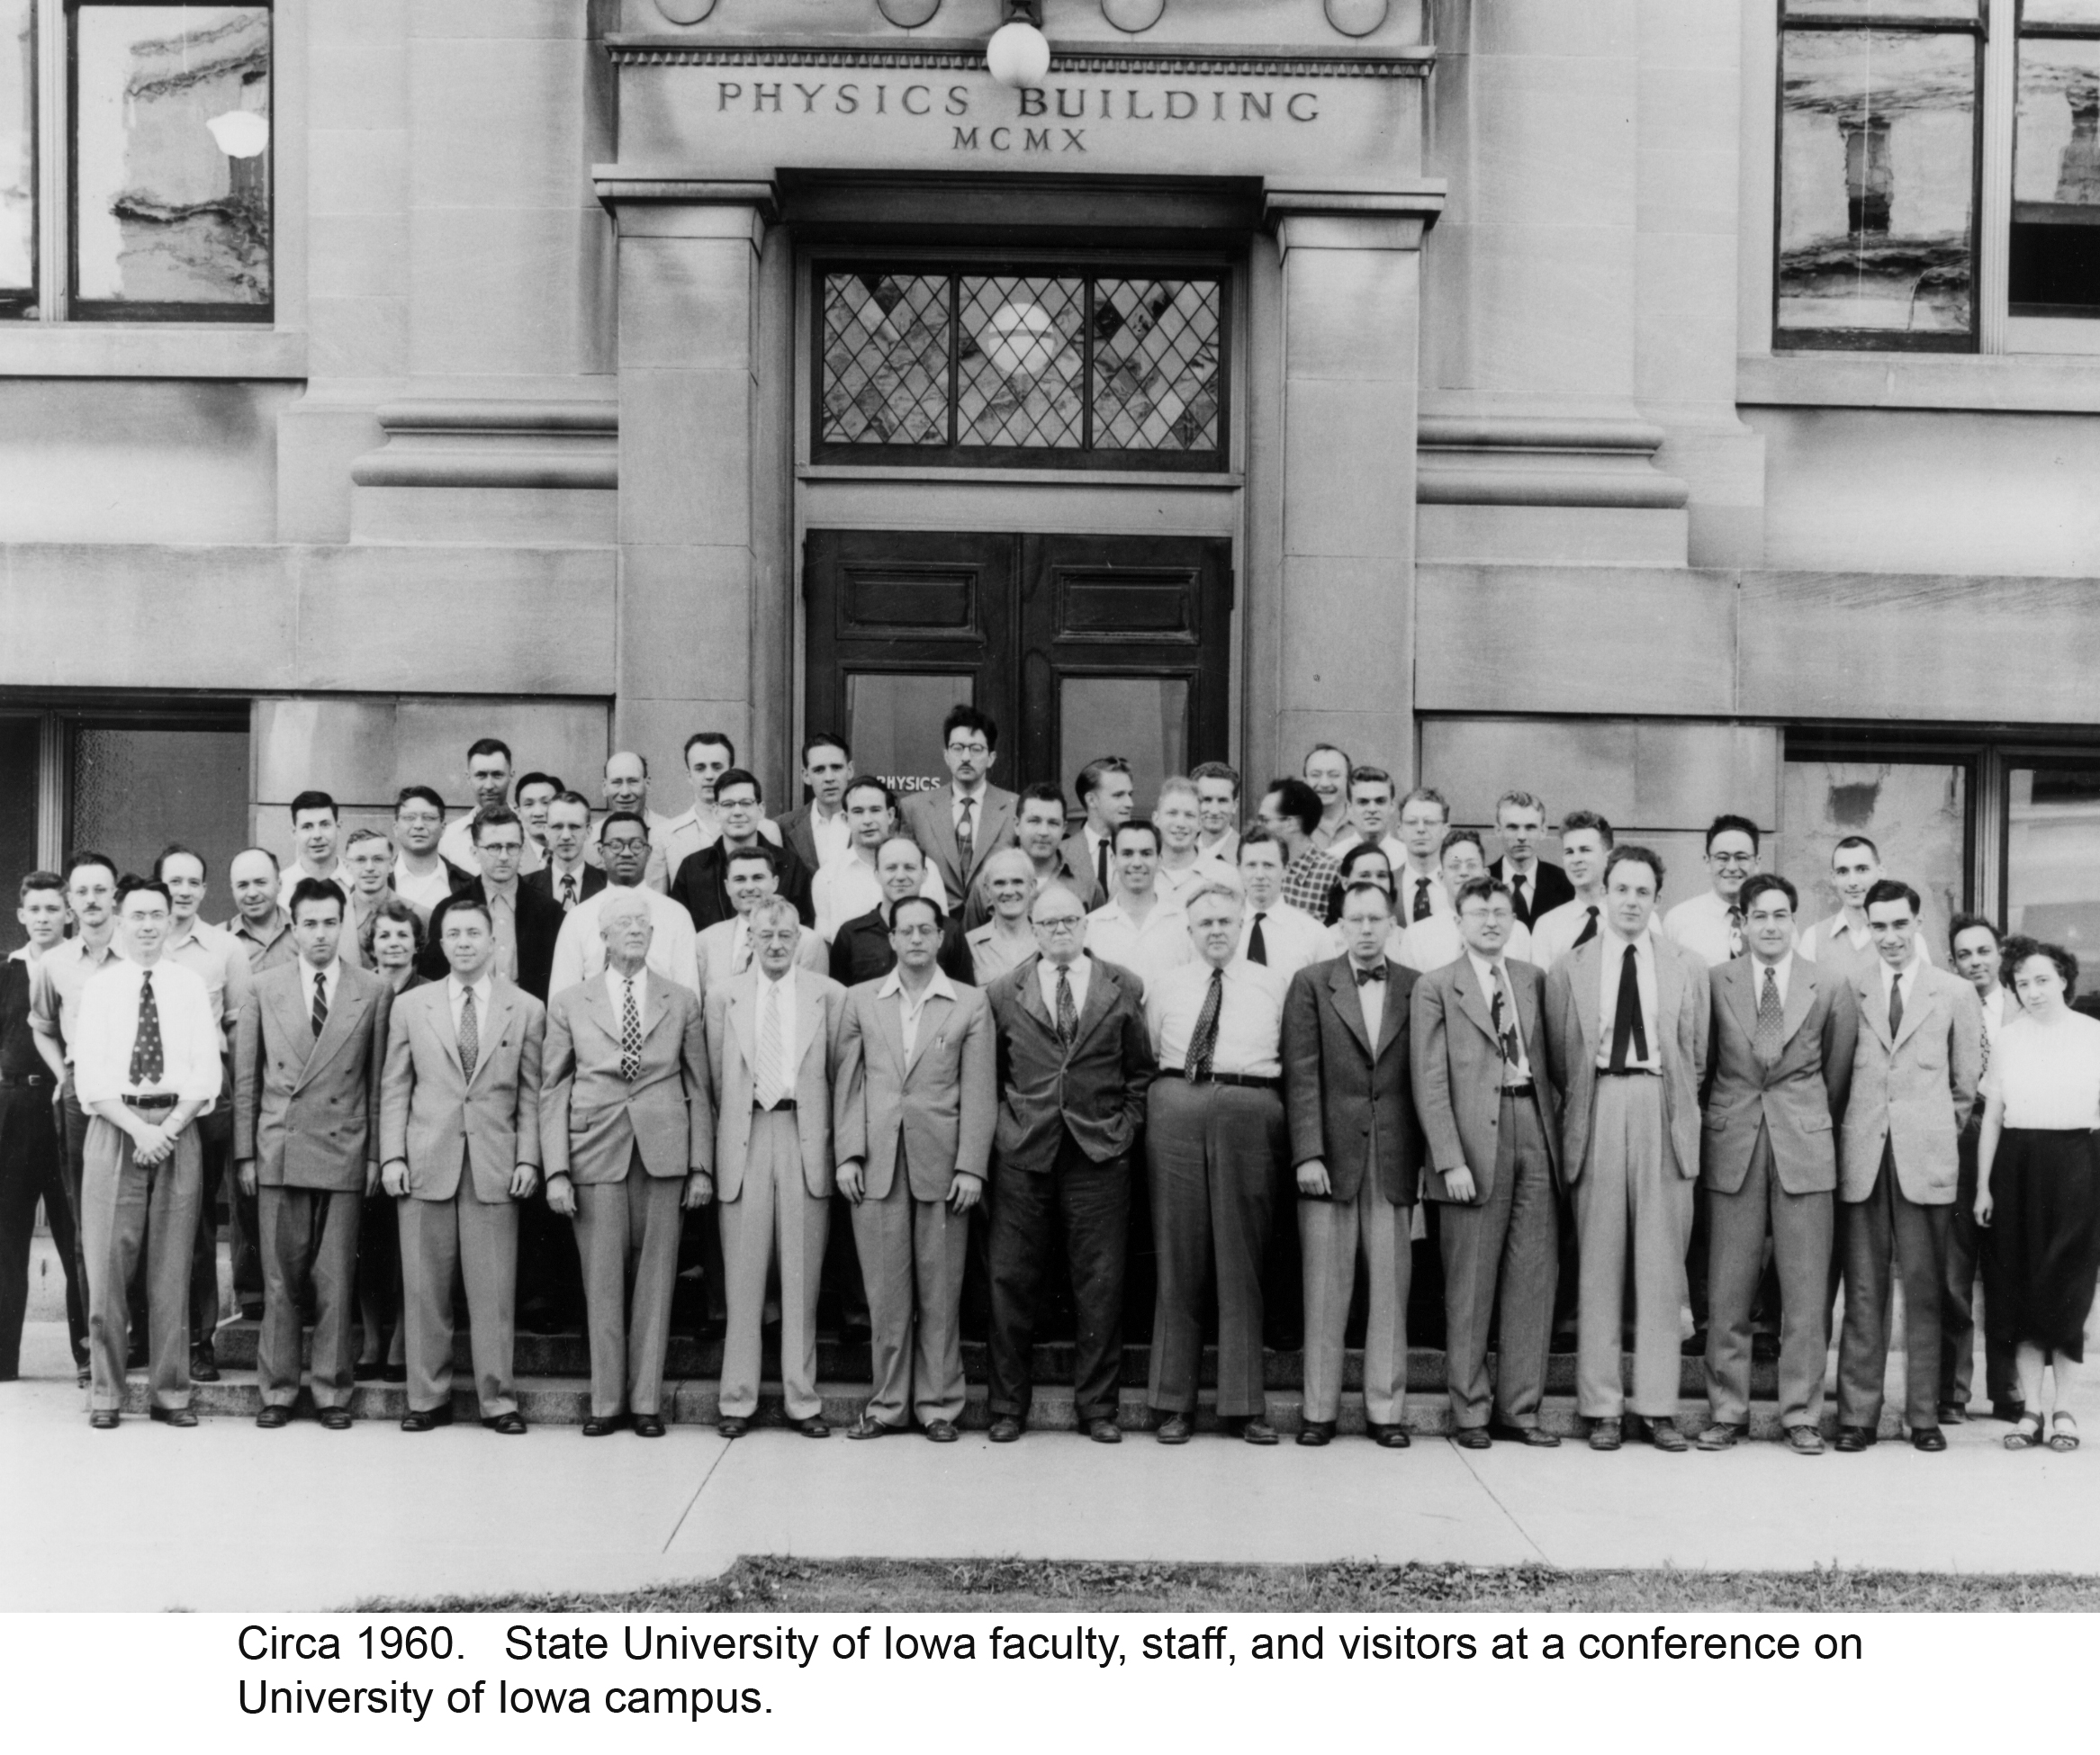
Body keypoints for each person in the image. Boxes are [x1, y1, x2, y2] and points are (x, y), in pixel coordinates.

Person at [1544, 845, 1709, 1453]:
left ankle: (1658, 1406)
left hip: (1662, 1106)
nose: (1631, 901)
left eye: (1643, 891)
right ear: (1604, 893)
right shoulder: (1570, 966)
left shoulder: (1687, 965)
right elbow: (1560, 1056)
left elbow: (1697, 1054)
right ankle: (1602, 1406)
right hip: (1599, 1104)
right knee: (1599, 1263)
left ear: (1656, 898)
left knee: (1661, 1267)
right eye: (1622, 889)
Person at [982, 884, 1156, 1444]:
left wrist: (1124, 1128)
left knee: (1100, 1284)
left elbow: (1140, 1073)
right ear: (1032, 929)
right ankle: (1007, 1407)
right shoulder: (1002, 992)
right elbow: (990, 1075)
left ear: (1086, 924)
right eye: (1049, 922)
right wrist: (1005, 1130)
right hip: (1024, 1152)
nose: (1060, 930)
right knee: (1011, 1281)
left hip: (1099, 1154)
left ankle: (1098, 1409)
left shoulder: (1122, 985)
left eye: (1070, 920)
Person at [540, 889, 714, 1438]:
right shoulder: (571, 1002)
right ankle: (606, 1401)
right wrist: (556, 1170)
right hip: (594, 1151)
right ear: (604, 937)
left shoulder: (681, 1000)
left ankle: (646, 1403)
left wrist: (701, 1166)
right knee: (602, 1281)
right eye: (624, 923)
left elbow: (699, 1087)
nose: (636, 930)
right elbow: (552, 1088)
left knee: (656, 1281)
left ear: (654, 935)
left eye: (643, 923)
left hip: (664, 1153)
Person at [1693, 873, 1856, 1457]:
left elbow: (1836, 1072)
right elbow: (1705, 1063)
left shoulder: (1827, 983)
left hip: (1803, 1144)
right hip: (1732, 1143)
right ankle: (1726, 1411)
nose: (1769, 925)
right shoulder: (1715, 981)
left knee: (1806, 1293)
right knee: (1727, 1291)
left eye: (1779, 914)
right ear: (1741, 922)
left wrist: (1803, 1119)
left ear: (1794, 920)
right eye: (1758, 915)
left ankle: (1801, 1414)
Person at [380, 896, 545, 1435]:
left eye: (474, 933)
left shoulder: (526, 1008)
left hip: (495, 1163)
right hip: (426, 1159)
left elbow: (532, 1093)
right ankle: (427, 1398)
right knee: (424, 1289)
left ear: (493, 940)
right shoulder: (412, 1006)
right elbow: (395, 1087)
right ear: (440, 944)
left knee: (493, 1291)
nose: (465, 943)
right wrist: (392, 1155)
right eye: (454, 934)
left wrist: (529, 1157)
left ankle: (499, 1401)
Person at [834, 896, 996, 1443]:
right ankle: (887, 1404)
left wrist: (971, 1166)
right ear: (893, 939)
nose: (918, 939)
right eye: (907, 931)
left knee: (940, 1291)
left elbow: (979, 1091)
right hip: (876, 1163)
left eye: (927, 929)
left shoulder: (970, 1002)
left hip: (943, 1164)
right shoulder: (860, 999)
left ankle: (939, 1406)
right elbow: (848, 1084)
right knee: (886, 1292)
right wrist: (848, 1154)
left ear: (942, 937)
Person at [232, 878, 392, 1432]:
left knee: (335, 1280)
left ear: (342, 925)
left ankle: (331, 1391)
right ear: (293, 927)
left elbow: (376, 1083)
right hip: (280, 1146)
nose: (320, 934)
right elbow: (247, 1078)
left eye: (330, 922)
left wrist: (374, 1157)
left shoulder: (373, 989)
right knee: (280, 1279)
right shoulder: (262, 986)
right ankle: (277, 1390)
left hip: (345, 1147)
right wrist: (245, 1155)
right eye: (309, 923)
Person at [1411, 874, 1562, 1447]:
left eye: (1501, 912)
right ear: (1459, 921)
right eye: (1480, 912)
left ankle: (1520, 1409)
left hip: (1534, 1129)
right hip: (1474, 1142)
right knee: (1470, 1282)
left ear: (1514, 920)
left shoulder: (1532, 979)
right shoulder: (1435, 986)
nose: (1492, 921)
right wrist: (1449, 1158)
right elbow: (1429, 1080)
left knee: (1532, 1276)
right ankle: (1470, 1411)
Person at [1833, 878, 1982, 1454]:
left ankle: (1924, 1416)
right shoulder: (1851, 987)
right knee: (1863, 1291)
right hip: (1864, 1158)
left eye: (1900, 924)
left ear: (1918, 923)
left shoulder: (1954, 992)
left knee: (1925, 1290)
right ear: (1867, 927)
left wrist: (1931, 1132)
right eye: (1879, 926)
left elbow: (1964, 1087)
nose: (1890, 936)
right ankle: (1858, 1417)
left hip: (1925, 1161)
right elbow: (1838, 1076)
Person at [1143, 876, 1290, 1444]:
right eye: (1204, 923)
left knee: (1241, 1258)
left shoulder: (1273, 984)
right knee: (1178, 1255)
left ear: (1242, 924)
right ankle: (1172, 1403)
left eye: (1225, 921)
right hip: (1179, 1105)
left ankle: (1243, 1405)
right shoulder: (1167, 985)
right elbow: (1150, 1048)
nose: (1216, 931)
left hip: (1249, 1109)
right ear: (1189, 930)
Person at [74, 878, 221, 1429]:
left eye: (157, 915)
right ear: (119, 919)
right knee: (108, 1269)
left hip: (178, 1129)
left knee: (172, 1269)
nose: (148, 925)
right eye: (137, 915)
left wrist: (170, 1126)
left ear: (169, 920)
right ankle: (106, 1395)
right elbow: (89, 1076)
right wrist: (139, 1129)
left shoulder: (189, 985)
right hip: (117, 1126)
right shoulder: (101, 988)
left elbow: (206, 1069)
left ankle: (171, 1395)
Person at [1284, 878, 1422, 1447]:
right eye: (1355, 920)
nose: (1366, 929)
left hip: (1393, 1155)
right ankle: (1319, 1410)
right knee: (1324, 1287)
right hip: (1329, 1157)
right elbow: (1301, 1074)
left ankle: (1385, 1411)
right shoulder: (1312, 983)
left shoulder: (1416, 986)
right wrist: (1307, 1152)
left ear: (1391, 924)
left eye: (1375, 919)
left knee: (1390, 1289)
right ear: (1339, 925)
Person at [708, 898, 848, 1439]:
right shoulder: (723, 996)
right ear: (749, 939)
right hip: (743, 1136)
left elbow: (837, 1074)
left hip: (802, 1134)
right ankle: (737, 1398)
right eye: (764, 935)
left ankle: (802, 1399)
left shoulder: (828, 995)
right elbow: (713, 1077)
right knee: (743, 1278)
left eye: (785, 935)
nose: (774, 944)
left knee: (801, 1276)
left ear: (799, 940)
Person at [1976, 940, 2100, 1454]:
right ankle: (2030, 1410)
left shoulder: (2093, 1035)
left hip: (2077, 1163)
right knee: (2020, 1288)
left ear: (2065, 980)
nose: (2033, 991)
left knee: (2068, 1288)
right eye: (2022, 983)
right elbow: (1993, 1117)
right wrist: (1983, 1186)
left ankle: (2064, 1409)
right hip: (2016, 1167)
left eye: (2043, 980)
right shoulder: (2008, 1039)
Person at [155, 844, 251, 1383]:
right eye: (175, 881)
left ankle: (200, 1342)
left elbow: (236, 1030)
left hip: (206, 1097)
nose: (184, 891)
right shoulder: (135, 942)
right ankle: (149, 1336)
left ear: (206, 889)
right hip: (145, 1098)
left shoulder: (225, 948)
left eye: (194, 882)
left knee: (196, 1224)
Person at [29, 851, 125, 1372]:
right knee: (87, 1221)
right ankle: (96, 1348)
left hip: (137, 1094)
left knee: (136, 1217)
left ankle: (139, 1339)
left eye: (99, 890)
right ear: (70, 902)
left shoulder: (140, 952)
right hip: (81, 1094)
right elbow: (42, 1027)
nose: (91, 900)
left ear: (115, 896)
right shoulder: (55, 963)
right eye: (81, 892)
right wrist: (63, 1076)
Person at [0, 873, 85, 1382]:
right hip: (14, 1110)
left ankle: (86, 1357)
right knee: (6, 1238)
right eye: (35, 909)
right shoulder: (6, 970)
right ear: (21, 915)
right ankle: (3, 1362)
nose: (44, 917)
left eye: (54, 908)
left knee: (75, 1236)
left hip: (66, 1108)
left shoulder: (79, 967)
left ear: (68, 914)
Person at [1944, 912, 2023, 1423]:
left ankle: (2008, 1387)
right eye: (1964, 954)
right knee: (1953, 1268)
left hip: (2014, 1137)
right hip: (1958, 1135)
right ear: (1952, 961)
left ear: (2000, 954)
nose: (1975, 962)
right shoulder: (1944, 1004)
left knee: (2008, 1265)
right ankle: (1952, 1390)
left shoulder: (2024, 1006)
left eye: (1983, 951)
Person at [356, 897, 425, 1382]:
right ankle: (370, 1338)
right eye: (384, 935)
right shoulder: (359, 991)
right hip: (363, 1131)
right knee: (366, 1239)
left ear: (417, 944)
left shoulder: (429, 993)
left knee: (407, 1245)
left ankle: (401, 1337)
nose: (393, 943)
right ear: (371, 944)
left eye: (403, 935)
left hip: (413, 1132)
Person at [549, 813, 700, 997]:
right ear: (601, 851)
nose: (626, 853)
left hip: (661, 1013)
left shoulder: (676, 915)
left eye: (636, 845)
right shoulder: (578, 917)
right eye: (615, 845)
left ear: (649, 852)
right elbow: (561, 998)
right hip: (594, 1015)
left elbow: (689, 998)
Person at [420, 806, 562, 1003]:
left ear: (522, 852)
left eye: (512, 847)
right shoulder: (448, 910)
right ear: (475, 853)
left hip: (529, 1017)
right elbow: (434, 978)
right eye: (494, 847)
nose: (503, 856)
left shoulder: (549, 911)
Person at [671, 769, 816, 933]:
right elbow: (677, 931)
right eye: (728, 804)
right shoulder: (692, 869)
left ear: (761, 809)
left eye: (746, 803)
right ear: (716, 811)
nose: (737, 812)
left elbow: (804, 930)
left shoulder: (791, 866)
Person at [901, 706, 1017, 904]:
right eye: (957, 748)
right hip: (935, 918)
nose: (965, 757)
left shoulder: (1014, 807)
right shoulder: (914, 808)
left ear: (991, 758)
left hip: (993, 917)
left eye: (976, 749)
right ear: (946, 756)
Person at [829, 835, 974, 988]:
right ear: (877, 875)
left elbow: (965, 994)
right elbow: (840, 998)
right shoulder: (851, 935)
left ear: (924, 874)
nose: (900, 876)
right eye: (891, 868)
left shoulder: (949, 932)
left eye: (909, 868)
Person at [814, 778, 949, 941]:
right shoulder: (827, 877)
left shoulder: (925, 868)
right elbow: (825, 944)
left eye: (875, 810)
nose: (867, 820)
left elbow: (942, 934)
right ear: (845, 819)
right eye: (858, 812)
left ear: (890, 815)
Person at [696, 844, 832, 997]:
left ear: (775, 882)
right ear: (727, 887)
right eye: (740, 879)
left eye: (758, 878)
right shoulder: (705, 940)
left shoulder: (808, 942)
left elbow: (812, 1003)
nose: (749, 887)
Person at [1799, 835, 1935, 984]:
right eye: (1843, 872)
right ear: (1833, 877)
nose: (1852, 882)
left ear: (1881, 871)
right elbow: (1804, 994)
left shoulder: (1909, 937)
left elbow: (1923, 992)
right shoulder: (1813, 938)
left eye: (1862, 869)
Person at [1397, 830, 1535, 973]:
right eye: (1454, 866)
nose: (1463, 872)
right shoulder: (1417, 936)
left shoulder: (1516, 932)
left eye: (1471, 865)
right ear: (1441, 877)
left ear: (1486, 875)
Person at [1084, 820, 1192, 996]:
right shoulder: (1090, 927)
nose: (1137, 863)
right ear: (1113, 860)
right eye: (1127, 854)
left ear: (1159, 861)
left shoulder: (1184, 923)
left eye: (1146, 853)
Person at [658, 732, 782, 880]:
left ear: (730, 771)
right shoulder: (667, 835)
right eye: (700, 768)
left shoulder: (767, 829)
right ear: (689, 775)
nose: (709, 776)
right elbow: (657, 894)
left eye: (717, 767)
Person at [1528, 810, 1642, 969]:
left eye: (1585, 850)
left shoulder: (1640, 917)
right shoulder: (1548, 925)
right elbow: (1544, 983)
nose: (1576, 860)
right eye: (1569, 852)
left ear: (1609, 858)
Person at [973, 780, 1097, 925]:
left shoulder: (1087, 884)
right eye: (1034, 821)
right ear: (1017, 825)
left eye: (1053, 823)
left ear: (1064, 829)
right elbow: (971, 937)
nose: (1043, 832)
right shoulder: (987, 881)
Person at [1663, 814, 1761, 968]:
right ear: (1707, 862)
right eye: (1722, 858)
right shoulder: (1678, 920)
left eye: (1741, 857)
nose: (1732, 867)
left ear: (1757, 862)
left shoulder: (1777, 919)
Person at [1234, 827, 1331, 980]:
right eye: (1251, 865)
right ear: (1239, 869)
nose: (1260, 875)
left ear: (1286, 869)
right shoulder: (1223, 929)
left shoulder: (1314, 934)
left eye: (1268, 865)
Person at [437, 738, 536, 874]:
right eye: (481, 775)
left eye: (497, 775)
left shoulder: (530, 831)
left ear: (511, 776)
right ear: (468, 778)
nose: (489, 786)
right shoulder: (448, 837)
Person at [1257, 777, 1343, 922]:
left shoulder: (1334, 872)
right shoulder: (1257, 869)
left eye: (1265, 820)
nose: (1258, 826)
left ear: (1291, 823)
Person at [595, 751, 678, 892]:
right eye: (616, 782)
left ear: (647, 784)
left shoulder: (671, 834)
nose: (625, 792)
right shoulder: (590, 839)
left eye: (633, 781)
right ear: (604, 787)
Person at [1490, 791, 1573, 930]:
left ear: (1543, 831)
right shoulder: (1482, 880)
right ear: (1498, 830)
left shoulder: (1565, 883)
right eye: (1512, 827)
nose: (1521, 836)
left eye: (1530, 827)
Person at [775, 732, 855, 872]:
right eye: (819, 770)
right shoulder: (782, 827)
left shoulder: (873, 822)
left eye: (836, 767)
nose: (829, 778)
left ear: (849, 770)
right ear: (806, 775)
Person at [391, 786, 471, 919]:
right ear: (395, 828)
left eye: (429, 818)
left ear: (443, 828)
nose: (418, 825)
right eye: (409, 817)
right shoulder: (380, 880)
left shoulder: (466, 884)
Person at [1064, 757, 1136, 902]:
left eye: (1129, 795)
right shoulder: (1061, 853)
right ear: (1091, 800)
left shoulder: (1140, 851)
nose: (1130, 803)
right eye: (1118, 795)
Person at [965, 849, 1040, 985]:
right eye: (1000, 883)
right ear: (987, 890)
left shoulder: (1048, 939)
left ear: (1032, 887)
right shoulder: (969, 945)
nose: (1009, 891)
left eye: (1017, 882)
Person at [525, 790, 604, 914]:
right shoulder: (526, 887)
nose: (566, 836)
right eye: (557, 827)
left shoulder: (607, 884)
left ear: (588, 832)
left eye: (574, 827)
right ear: (546, 831)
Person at [1152, 776, 1226, 908]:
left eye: (1189, 815)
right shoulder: (1139, 872)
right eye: (1172, 813)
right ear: (1156, 819)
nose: (1180, 823)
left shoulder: (1223, 875)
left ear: (1200, 823)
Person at [1323, 765, 1406, 872]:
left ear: (1392, 806)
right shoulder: (1332, 859)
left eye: (1380, 801)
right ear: (1349, 808)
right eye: (1363, 802)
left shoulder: (1407, 858)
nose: (1372, 809)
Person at [276, 790, 351, 906]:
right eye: (307, 827)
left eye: (325, 825)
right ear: (294, 832)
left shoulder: (356, 881)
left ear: (338, 827)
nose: (317, 835)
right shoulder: (280, 888)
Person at [1393, 788, 1456, 925]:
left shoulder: (1459, 884)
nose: (1420, 829)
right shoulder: (1387, 884)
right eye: (1411, 822)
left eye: (1430, 822)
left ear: (1445, 830)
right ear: (1400, 830)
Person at [338, 828, 396, 968]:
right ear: (347, 866)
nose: (369, 868)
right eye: (360, 860)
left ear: (391, 864)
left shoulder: (420, 915)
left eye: (378, 859)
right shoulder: (332, 917)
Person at [1302, 743, 1353, 850]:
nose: (1324, 783)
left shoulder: (1364, 822)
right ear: (1305, 781)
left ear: (1348, 780)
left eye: (1334, 775)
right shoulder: (1292, 825)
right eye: (1315, 775)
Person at [1191, 761, 1242, 865]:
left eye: (1222, 801)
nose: (1214, 811)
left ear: (1235, 805)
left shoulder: (1248, 854)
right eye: (1207, 800)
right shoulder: (1181, 852)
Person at [515, 771, 563, 868]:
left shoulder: (587, 854)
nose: (538, 813)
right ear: (519, 813)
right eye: (529, 804)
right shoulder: (512, 859)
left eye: (546, 803)